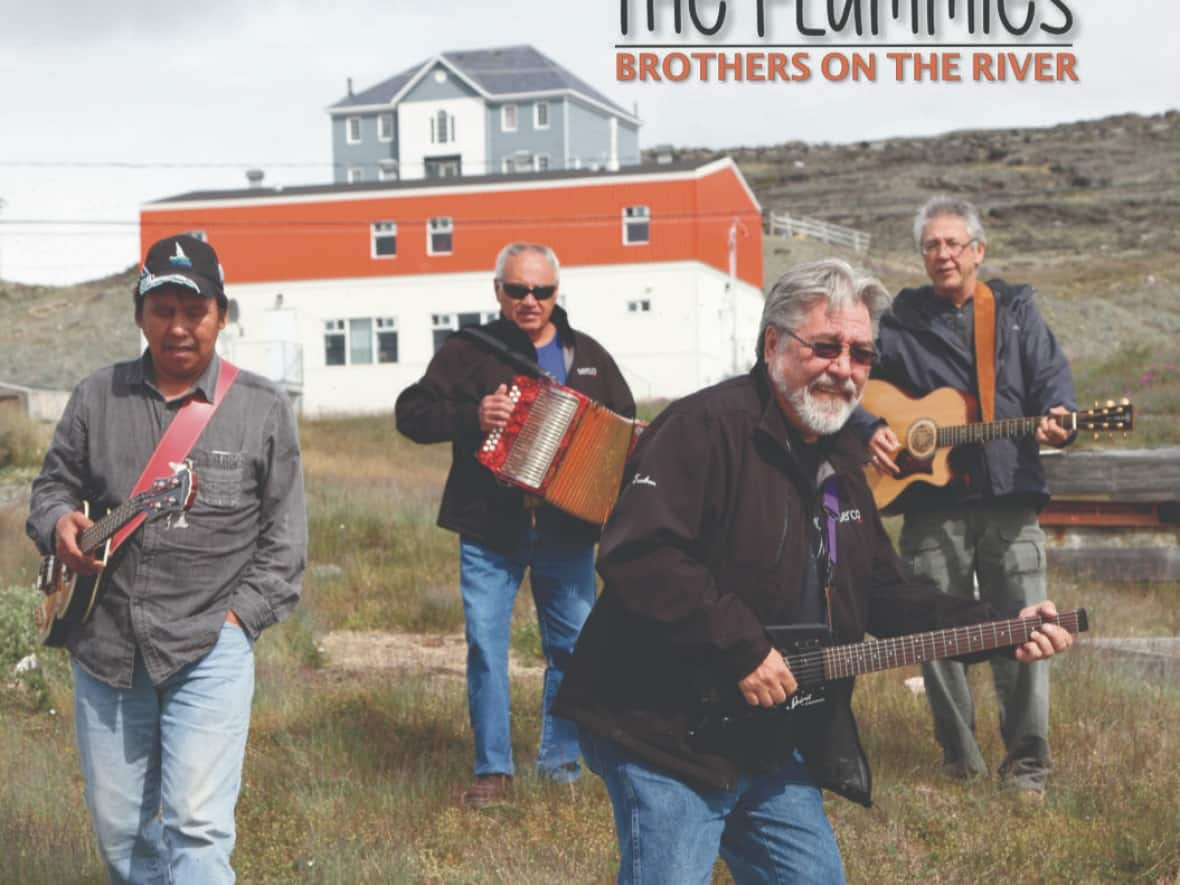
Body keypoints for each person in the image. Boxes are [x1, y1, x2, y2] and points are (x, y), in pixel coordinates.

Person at [554, 259, 1074, 883]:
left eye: (861, 354)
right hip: (663, 729)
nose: (845, 370)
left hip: (769, 732)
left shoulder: (842, 461)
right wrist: (743, 648)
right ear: (773, 343)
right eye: (826, 347)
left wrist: (1001, 625)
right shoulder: (702, 430)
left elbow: (885, 591)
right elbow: (641, 554)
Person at [26, 234, 307, 884]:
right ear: (139, 314)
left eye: (195, 309)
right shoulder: (97, 396)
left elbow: (285, 538)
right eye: (163, 309)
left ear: (222, 314)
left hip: (209, 644)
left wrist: (239, 623)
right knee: (122, 833)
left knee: (198, 827)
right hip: (105, 645)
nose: (179, 326)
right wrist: (58, 523)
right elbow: (51, 488)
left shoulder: (261, 409)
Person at [848, 196, 1076, 796]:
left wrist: (1063, 415)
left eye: (953, 243)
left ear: (979, 250)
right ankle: (959, 758)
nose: (942, 254)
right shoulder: (898, 320)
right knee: (933, 631)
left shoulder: (1015, 311)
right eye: (931, 245)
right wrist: (870, 428)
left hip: (1008, 497)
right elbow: (853, 383)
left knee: (1025, 627)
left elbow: (1052, 380)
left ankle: (1028, 764)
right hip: (928, 505)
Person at [395, 242, 635, 806]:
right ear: (497, 289)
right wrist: (472, 415)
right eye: (518, 290)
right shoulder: (468, 350)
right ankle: (493, 771)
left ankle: (560, 764)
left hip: (566, 530)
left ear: (557, 292)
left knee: (573, 649)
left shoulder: (588, 355)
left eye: (542, 291)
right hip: (489, 528)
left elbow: (624, 429)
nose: (530, 301)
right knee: (485, 645)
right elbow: (412, 413)